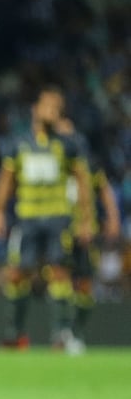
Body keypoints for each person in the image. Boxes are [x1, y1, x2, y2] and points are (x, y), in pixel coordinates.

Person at [0, 87, 93, 351]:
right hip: (27, 218)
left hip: (58, 217)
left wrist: (86, 218)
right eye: (48, 106)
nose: (52, 112)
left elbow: (82, 180)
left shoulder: (69, 143)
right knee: (16, 273)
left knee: (59, 272)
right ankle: (15, 334)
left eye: (57, 108)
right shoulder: (19, 143)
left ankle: (62, 333)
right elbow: (6, 179)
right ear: (36, 110)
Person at [57, 119, 122, 353]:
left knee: (84, 284)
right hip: (60, 230)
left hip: (85, 232)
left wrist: (113, 218)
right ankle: (61, 331)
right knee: (60, 278)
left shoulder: (89, 165)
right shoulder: (53, 162)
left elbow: (105, 192)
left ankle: (76, 330)